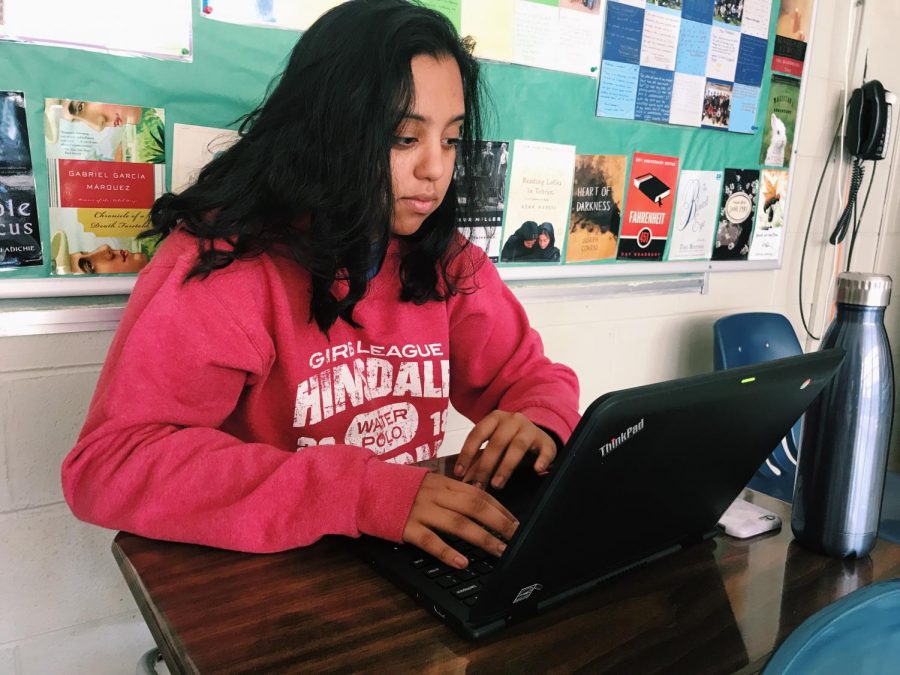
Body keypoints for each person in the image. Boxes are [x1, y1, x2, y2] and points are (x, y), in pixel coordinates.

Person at [61, 0, 579, 572]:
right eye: (405, 138)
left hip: (402, 570)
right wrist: (357, 493)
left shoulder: (444, 261)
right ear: (326, 131)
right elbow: (110, 464)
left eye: (452, 140)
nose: (436, 167)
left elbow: (531, 379)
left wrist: (538, 421)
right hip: (279, 581)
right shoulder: (227, 267)